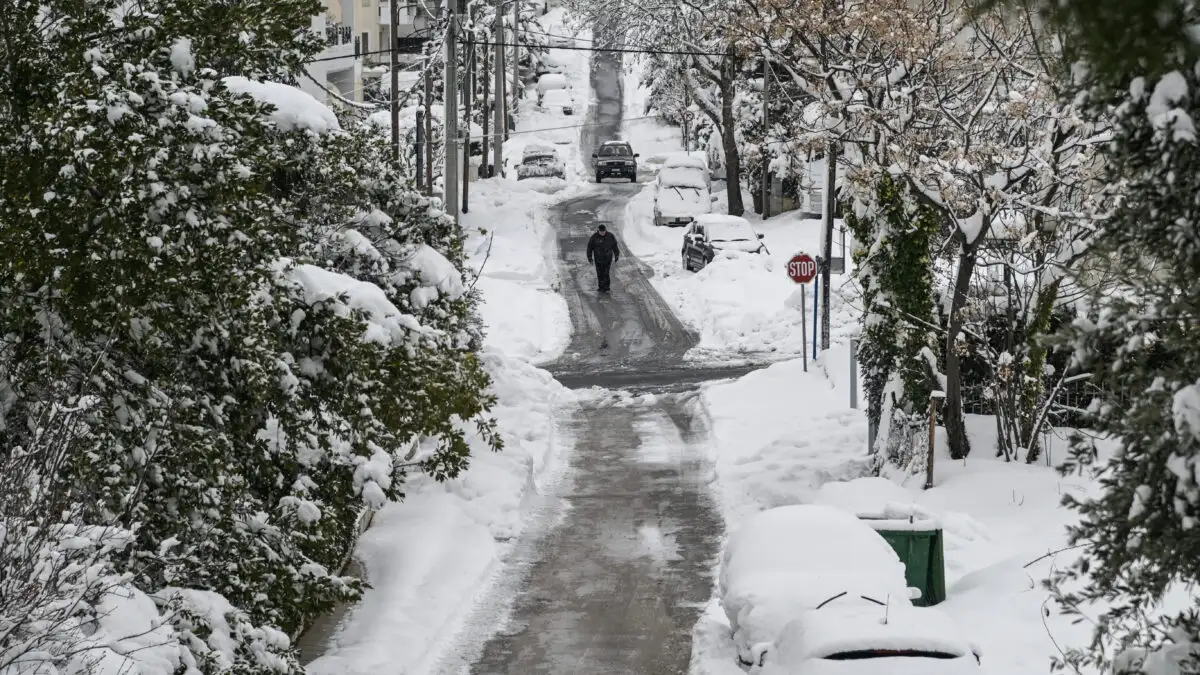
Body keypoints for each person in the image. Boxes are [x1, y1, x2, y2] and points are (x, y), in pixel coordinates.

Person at [586, 224, 620, 293]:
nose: (602, 233)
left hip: (608, 258)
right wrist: (590, 258)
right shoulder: (594, 237)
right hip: (598, 259)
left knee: (606, 273)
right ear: (598, 231)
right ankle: (601, 287)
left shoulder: (610, 236)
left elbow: (615, 246)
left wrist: (616, 255)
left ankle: (607, 288)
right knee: (600, 273)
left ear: (605, 230)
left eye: (603, 231)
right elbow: (589, 248)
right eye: (601, 232)